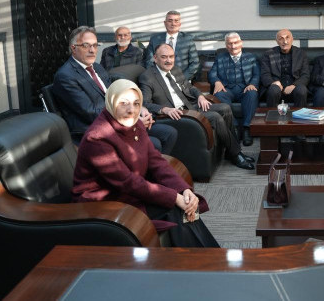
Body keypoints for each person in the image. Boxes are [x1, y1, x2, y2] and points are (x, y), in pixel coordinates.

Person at [72, 79, 218, 247]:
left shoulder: (135, 124)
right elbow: (127, 181)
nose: (131, 110)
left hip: (128, 193)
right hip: (103, 204)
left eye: (136, 104)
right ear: (111, 103)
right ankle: (200, 258)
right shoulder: (97, 137)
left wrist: (183, 189)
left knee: (183, 206)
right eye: (123, 103)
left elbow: (156, 161)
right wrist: (174, 197)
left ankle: (206, 256)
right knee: (174, 207)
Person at [52, 26, 177, 153]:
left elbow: (116, 93)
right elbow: (92, 113)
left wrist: (139, 108)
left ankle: (152, 165)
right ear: (74, 48)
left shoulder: (96, 67)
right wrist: (131, 118)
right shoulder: (66, 76)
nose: (92, 50)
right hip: (97, 128)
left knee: (169, 133)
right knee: (154, 144)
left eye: (95, 45)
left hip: (117, 118)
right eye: (86, 45)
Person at [140, 43, 254, 170]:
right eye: (164, 57)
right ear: (155, 58)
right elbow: (145, 103)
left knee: (225, 108)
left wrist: (200, 96)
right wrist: (164, 109)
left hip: (190, 105)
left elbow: (190, 87)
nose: (169, 60)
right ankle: (236, 154)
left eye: (171, 57)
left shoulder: (175, 69)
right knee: (215, 117)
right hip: (177, 114)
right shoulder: (147, 77)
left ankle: (230, 151)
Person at [208, 32, 260, 146]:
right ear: (226, 45)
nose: (233, 46)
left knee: (252, 93)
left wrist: (252, 84)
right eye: (230, 43)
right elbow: (212, 73)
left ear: (241, 43)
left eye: (235, 43)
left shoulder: (251, 57)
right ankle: (234, 127)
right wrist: (216, 81)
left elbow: (256, 74)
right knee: (218, 94)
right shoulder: (220, 57)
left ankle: (247, 129)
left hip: (245, 88)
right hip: (227, 89)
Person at [144, 11, 199, 80]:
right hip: (159, 79)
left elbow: (195, 63)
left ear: (180, 24)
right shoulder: (155, 39)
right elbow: (149, 61)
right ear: (165, 23)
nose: (173, 24)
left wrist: (182, 78)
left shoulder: (188, 39)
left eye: (176, 21)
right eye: (170, 21)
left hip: (182, 79)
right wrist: (157, 78)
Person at [260, 29, 309, 107]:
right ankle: (272, 115)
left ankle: (300, 115)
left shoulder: (301, 54)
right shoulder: (268, 54)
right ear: (277, 41)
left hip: (295, 88)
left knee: (301, 90)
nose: (285, 41)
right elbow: (265, 74)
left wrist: (293, 86)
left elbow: (305, 75)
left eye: (287, 38)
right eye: (281, 38)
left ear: (292, 39)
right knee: (273, 89)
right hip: (277, 88)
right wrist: (274, 83)